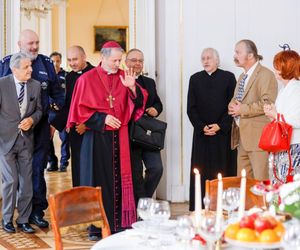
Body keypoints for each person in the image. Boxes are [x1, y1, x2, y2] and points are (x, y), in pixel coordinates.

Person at [67, 41, 147, 233]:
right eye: (114, 60)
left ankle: (119, 224)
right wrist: (103, 119)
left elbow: (139, 103)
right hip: (97, 139)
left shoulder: (124, 77)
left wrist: (132, 88)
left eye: (120, 60)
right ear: (102, 57)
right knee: (97, 181)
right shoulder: (86, 79)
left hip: (120, 138)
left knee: (121, 181)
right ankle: (97, 226)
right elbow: (79, 110)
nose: (117, 64)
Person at [0, 29, 65, 228]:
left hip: (40, 128)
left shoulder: (46, 63)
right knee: (12, 177)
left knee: (36, 171)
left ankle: (35, 212)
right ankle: (12, 215)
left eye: (37, 42)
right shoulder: (7, 63)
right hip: (12, 132)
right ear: (20, 44)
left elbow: (58, 97)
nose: (35, 47)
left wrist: (53, 122)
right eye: (30, 44)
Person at [187, 48, 237, 211]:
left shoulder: (229, 78)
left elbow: (233, 106)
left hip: (222, 134)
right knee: (200, 172)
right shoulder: (194, 79)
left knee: (223, 170)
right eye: (203, 58)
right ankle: (201, 207)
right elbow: (191, 108)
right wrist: (202, 127)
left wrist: (221, 126)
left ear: (217, 60)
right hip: (202, 134)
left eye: (209, 58)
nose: (205, 61)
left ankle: (224, 207)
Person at [0, 52, 42, 234]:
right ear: (14, 69)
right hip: (5, 141)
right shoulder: (2, 85)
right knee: (10, 181)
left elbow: (39, 110)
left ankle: (23, 219)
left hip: (26, 141)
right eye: (26, 67)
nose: (31, 70)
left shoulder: (36, 86)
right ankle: (6, 219)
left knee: (26, 183)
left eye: (30, 66)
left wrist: (32, 120)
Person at [228, 39, 277, 180]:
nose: (235, 55)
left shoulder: (266, 75)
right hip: (242, 139)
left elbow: (267, 103)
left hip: (258, 140)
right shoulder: (242, 77)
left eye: (238, 52)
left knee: (261, 183)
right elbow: (236, 99)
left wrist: (241, 109)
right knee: (244, 184)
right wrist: (232, 105)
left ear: (250, 55)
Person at [125, 49, 163, 203]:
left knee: (156, 169)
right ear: (126, 62)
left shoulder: (149, 82)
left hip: (148, 134)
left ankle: (143, 203)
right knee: (136, 175)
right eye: (133, 60)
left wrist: (156, 109)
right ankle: (140, 209)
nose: (137, 63)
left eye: (140, 61)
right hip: (129, 134)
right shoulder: (120, 80)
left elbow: (158, 103)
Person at [264, 49, 300, 184]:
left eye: (277, 67)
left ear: (287, 68)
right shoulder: (283, 89)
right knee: (280, 182)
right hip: (282, 145)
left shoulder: (297, 89)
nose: (274, 70)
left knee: (290, 185)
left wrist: (275, 114)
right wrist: (272, 112)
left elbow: (297, 120)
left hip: (294, 145)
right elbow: (279, 116)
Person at [65, 46, 94, 186]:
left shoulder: (95, 74)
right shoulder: (69, 77)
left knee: (91, 165)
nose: (72, 63)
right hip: (75, 129)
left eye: (75, 59)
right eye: (69, 60)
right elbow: (69, 104)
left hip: (92, 128)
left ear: (84, 57)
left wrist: (87, 125)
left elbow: (97, 104)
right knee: (76, 163)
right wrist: (67, 123)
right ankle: (78, 195)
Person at [47, 51, 70, 172]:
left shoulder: (66, 75)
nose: (55, 64)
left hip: (62, 113)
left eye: (57, 61)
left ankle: (63, 163)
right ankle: (52, 162)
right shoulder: (45, 75)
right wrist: (51, 103)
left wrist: (60, 105)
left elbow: (68, 94)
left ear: (61, 61)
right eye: (53, 61)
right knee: (47, 138)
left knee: (65, 138)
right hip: (50, 113)